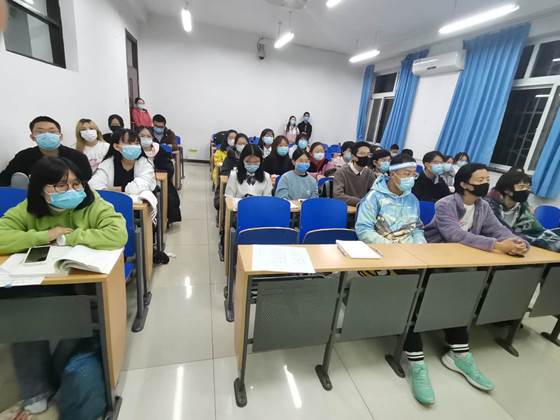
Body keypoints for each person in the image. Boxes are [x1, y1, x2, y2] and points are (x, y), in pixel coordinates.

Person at [0, 157, 127, 419]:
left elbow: (117, 234)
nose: (71, 190)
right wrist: (43, 236)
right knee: (22, 314)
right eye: (60, 185)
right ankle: (36, 391)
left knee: (75, 323)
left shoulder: (92, 204)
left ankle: (60, 378)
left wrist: (67, 237)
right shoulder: (28, 209)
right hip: (34, 283)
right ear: (41, 188)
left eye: (76, 183)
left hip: (80, 285)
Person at [413, 164, 529, 405]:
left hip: (462, 264)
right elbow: (454, 235)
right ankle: (421, 356)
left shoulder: (482, 206)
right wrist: (498, 246)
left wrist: (517, 243)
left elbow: (498, 230)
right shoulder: (446, 203)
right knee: (443, 291)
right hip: (433, 259)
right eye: (481, 179)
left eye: (487, 179)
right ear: (464, 184)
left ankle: (459, 353)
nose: (486, 183)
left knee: (463, 291)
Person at [0, 116, 92, 186]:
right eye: (40, 132)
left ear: (60, 136)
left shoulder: (77, 157)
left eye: (52, 132)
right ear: (32, 137)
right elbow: (5, 179)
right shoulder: (24, 157)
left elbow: (86, 181)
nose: (47, 135)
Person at [356, 154, 425, 244]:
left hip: (409, 248)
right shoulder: (374, 197)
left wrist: (420, 243)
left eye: (414, 175)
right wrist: (391, 246)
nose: (411, 178)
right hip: (382, 247)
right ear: (392, 174)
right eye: (407, 174)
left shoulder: (412, 199)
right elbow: (364, 230)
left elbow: (416, 228)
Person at [485, 171, 560, 252]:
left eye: (528, 187)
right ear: (507, 190)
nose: (526, 190)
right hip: (492, 246)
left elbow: (536, 230)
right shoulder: (489, 204)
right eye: (521, 187)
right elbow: (499, 231)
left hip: (515, 246)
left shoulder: (522, 205)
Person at [89, 129, 156, 196]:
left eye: (137, 143)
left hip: (138, 201)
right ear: (116, 146)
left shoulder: (145, 163)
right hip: (113, 201)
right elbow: (94, 185)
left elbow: (142, 185)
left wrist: (115, 189)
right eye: (129, 143)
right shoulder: (108, 163)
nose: (134, 146)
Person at [137, 126, 182, 224]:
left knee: (170, 197)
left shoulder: (158, 149)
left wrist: (156, 172)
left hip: (159, 180)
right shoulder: (136, 151)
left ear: (152, 138)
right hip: (141, 182)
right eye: (142, 136)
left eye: (148, 136)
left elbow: (169, 167)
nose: (145, 138)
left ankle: (164, 221)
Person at [213, 133, 249, 210]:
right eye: (240, 144)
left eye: (244, 144)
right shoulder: (230, 156)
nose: (242, 146)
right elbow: (224, 173)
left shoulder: (251, 158)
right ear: (235, 145)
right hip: (231, 186)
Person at [333, 142, 375, 207]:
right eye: (362, 153)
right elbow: (338, 195)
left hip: (364, 209)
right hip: (346, 209)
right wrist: (361, 202)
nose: (366, 157)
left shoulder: (370, 173)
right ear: (353, 157)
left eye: (368, 154)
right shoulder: (341, 172)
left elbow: (374, 193)